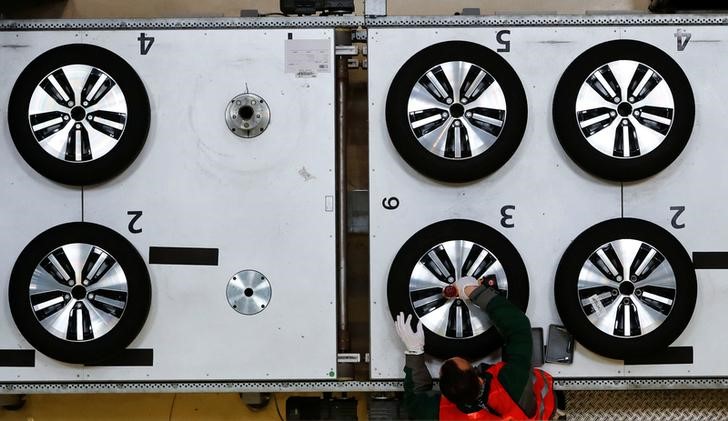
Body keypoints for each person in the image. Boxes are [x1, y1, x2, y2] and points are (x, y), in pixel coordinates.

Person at [394, 276, 558, 420]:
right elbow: (518, 327)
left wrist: (414, 352)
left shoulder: (442, 412)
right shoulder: (512, 386)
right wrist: (475, 292)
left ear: (445, 397)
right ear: (478, 377)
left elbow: (415, 402)